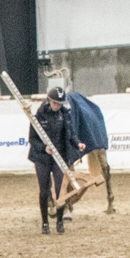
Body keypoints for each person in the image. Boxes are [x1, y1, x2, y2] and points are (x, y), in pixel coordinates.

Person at [27, 86, 82, 235]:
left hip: (60, 157)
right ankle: (45, 222)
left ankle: (59, 221)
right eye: (54, 103)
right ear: (49, 101)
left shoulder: (65, 114)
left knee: (60, 189)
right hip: (42, 158)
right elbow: (32, 138)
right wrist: (44, 148)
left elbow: (71, 134)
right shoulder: (39, 115)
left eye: (59, 104)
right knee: (44, 191)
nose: (56, 106)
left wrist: (77, 143)